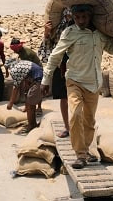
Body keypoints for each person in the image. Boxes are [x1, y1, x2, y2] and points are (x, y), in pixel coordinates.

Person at [41, 4, 113, 169]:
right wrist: (45, 80)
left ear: (90, 16)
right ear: (73, 18)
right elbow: (55, 55)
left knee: (89, 121)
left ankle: (87, 150)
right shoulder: (70, 32)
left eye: (84, 17)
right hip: (74, 81)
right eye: (77, 18)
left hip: (94, 85)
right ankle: (80, 155)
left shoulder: (100, 34)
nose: (81, 21)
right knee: (75, 115)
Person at [39, 8, 74, 138]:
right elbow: (48, 49)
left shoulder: (80, 28)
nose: (70, 16)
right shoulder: (58, 29)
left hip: (77, 65)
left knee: (78, 98)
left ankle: (78, 126)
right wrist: (46, 33)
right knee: (64, 98)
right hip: (60, 66)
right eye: (68, 14)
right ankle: (67, 127)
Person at [6, 59, 44, 135]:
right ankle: (33, 124)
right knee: (30, 104)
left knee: (30, 105)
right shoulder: (21, 65)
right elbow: (25, 80)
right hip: (39, 76)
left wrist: (10, 103)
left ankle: (31, 125)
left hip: (38, 80)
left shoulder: (15, 70)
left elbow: (15, 88)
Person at [10, 38, 43, 113]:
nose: (14, 51)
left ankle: (39, 107)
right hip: (30, 69)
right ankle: (27, 107)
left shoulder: (26, 54)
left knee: (37, 90)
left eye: (15, 49)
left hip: (36, 70)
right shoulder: (20, 52)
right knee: (26, 90)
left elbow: (28, 67)